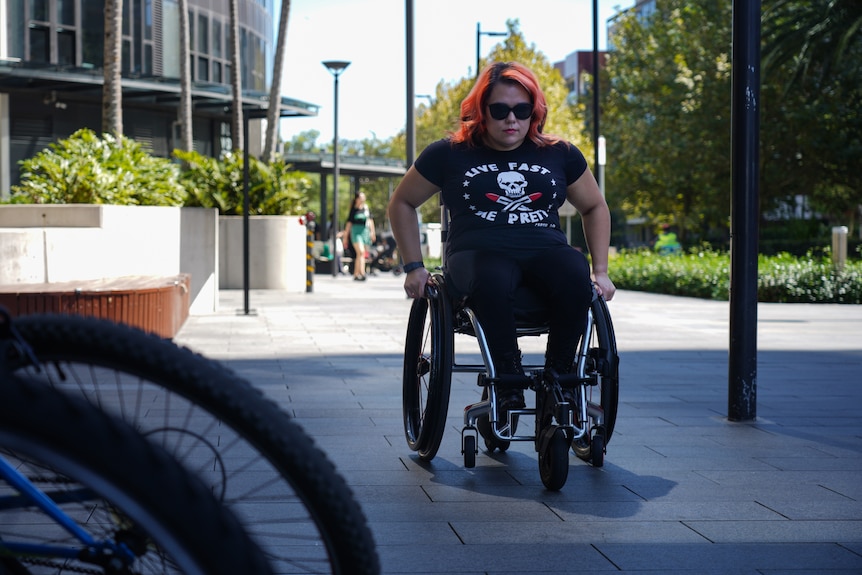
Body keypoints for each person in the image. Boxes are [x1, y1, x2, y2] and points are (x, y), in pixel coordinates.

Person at [388, 61, 615, 422]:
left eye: (522, 110)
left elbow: (595, 206)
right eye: (500, 110)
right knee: (491, 274)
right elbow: (402, 202)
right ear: (482, 111)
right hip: (477, 254)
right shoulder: (448, 153)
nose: (512, 119)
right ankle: (507, 381)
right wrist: (414, 266)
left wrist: (600, 271)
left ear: (534, 112)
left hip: (545, 250)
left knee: (575, 270)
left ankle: (561, 380)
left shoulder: (560, 153)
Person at [344, 192, 376, 281]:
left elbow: (370, 221)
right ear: (357, 199)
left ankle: (356, 273)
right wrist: (346, 237)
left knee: (361, 254)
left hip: (364, 232)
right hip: (355, 232)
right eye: (361, 197)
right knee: (361, 252)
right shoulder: (353, 210)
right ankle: (362, 273)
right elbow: (349, 223)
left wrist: (372, 232)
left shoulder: (366, 208)